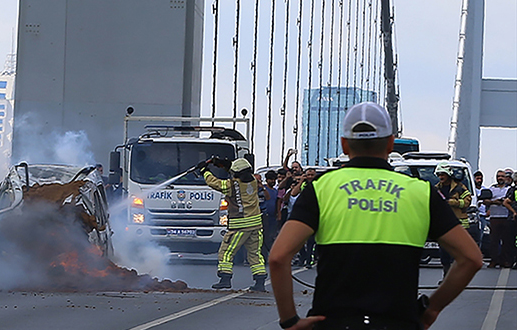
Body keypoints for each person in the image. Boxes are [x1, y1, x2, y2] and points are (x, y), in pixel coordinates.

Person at [269, 102, 482, 330]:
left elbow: (278, 257)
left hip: (334, 323)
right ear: (391, 143)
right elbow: (471, 258)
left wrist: (290, 320)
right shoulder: (420, 192)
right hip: (399, 323)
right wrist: (432, 308)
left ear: (344, 144)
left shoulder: (321, 189)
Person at [198, 158, 267, 291]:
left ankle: (225, 279)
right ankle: (260, 282)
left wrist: (205, 171)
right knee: (255, 254)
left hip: (240, 225)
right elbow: (237, 171)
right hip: (256, 225)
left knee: (226, 252)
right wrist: (222, 164)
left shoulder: (233, 185)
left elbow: (216, 183)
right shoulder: (253, 180)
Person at [434, 161, 472, 279]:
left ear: (448, 175)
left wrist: (453, 203)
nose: (441, 177)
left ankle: (456, 277)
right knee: (444, 253)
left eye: (443, 174)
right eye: (439, 174)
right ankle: (446, 277)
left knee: (456, 253)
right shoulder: (436, 189)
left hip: (459, 224)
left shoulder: (460, 188)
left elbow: (467, 201)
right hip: (443, 225)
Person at [483, 170, 511, 268]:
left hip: (506, 217)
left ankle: (504, 260)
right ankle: (494, 260)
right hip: (494, 217)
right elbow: (485, 200)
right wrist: (494, 202)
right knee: (494, 240)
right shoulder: (492, 189)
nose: (500, 178)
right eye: (498, 176)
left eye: (502, 176)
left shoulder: (509, 189)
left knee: (506, 240)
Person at [260, 170, 279, 258]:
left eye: (274, 179)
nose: (272, 181)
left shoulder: (275, 191)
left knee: (271, 236)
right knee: (265, 237)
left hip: (273, 217)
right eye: (270, 179)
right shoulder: (262, 189)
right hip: (264, 216)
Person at [501, 170, 517, 268]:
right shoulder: (513, 190)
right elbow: (506, 202)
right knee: (510, 241)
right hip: (513, 219)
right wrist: (514, 212)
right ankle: (511, 261)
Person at [473, 171, 488, 247]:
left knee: (481, 236)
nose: (479, 180)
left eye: (481, 178)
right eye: (477, 178)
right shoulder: (472, 190)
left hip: (483, 215)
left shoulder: (484, 189)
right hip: (473, 215)